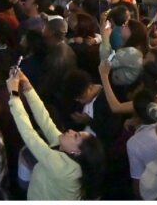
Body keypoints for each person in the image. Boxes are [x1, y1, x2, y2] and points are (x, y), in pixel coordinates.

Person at [6, 68, 103, 200]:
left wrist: (14, 94)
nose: (70, 131)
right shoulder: (65, 150)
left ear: (77, 152)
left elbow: (29, 135)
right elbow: (44, 118)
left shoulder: (64, 168)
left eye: (76, 136)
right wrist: (27, 86)